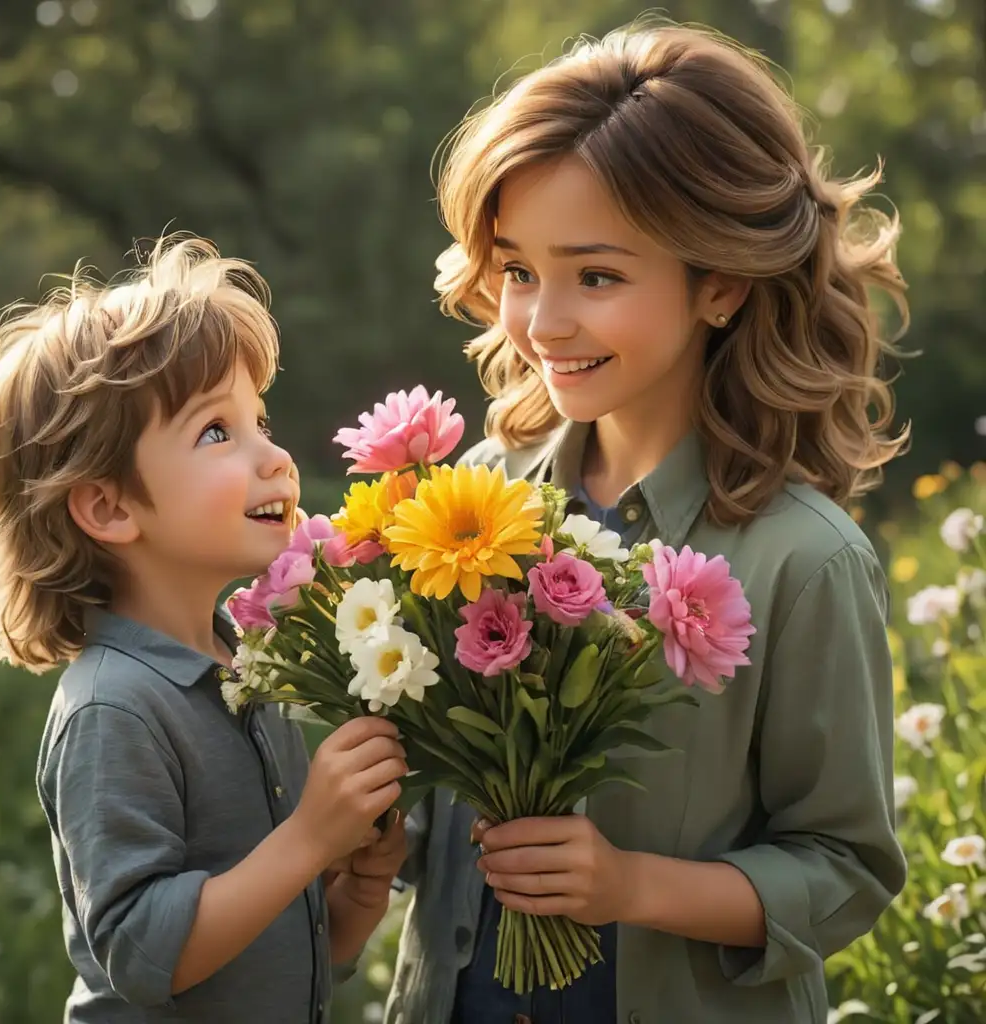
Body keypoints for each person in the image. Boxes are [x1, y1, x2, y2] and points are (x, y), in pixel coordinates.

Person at [387, 23, 907, 1024]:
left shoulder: (805, 560)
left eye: (596, 276)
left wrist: (632, 888)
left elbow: (845, 868)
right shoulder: (461, 507)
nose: (541, 323)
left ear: (719, 282)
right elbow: (435, 828)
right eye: (517, 270)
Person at [0, 235, 408, 1023]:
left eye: (259, 421)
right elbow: (144, 954)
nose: (275, 458)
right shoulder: (115, 707)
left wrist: (353, 894)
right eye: (216, 432)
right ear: (109, 508)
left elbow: (264, 950)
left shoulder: (248, 671)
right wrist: (307, 838)